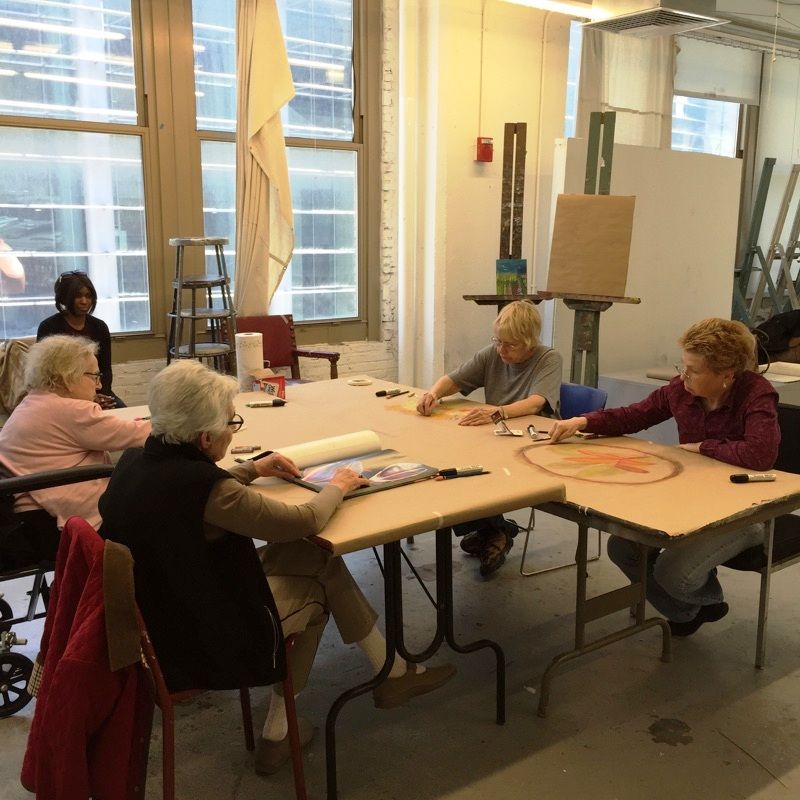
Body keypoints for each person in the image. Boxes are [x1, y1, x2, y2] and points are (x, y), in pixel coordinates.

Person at [98, 360, 456, 776]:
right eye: (232, 423)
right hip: (198, 634)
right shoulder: (211, 492)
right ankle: (283, 728)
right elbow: (301, 522)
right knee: (318, 585)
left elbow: (189, 488)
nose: (234, 432)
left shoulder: (134, 463)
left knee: (316, 558)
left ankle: (390, 672)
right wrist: (337, 486)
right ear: (205, 436)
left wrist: (252, 467)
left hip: (161, 609)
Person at [548, 317, 780, 636]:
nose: (682, 375)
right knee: (622, 548)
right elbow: (634, 415)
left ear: (727, 375)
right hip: (691, 502)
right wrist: (583, 422)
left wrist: (703, 446)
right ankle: (693, 610)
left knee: (674, 574)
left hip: (743, 512)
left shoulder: (756, 393)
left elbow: (760, 453)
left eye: (693, 370)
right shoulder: (680, 390)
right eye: (682, 366)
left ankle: (698, 601)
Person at [416, 299, 562, 576]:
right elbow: (454, 379)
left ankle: (491, 528)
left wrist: (497, 412)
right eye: (497, 342)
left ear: (530, 341)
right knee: (449, 465)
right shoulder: (494, 353)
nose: (501, 350)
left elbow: (535, 403)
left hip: (533, 441)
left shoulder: (549, 358)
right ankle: (493, 528)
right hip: (496, 435)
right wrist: (433, 394)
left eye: (510, 345)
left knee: (473, 469)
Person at [0, 335, 149, 570]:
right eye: (93, 376)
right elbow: (140, 435)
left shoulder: (33, 403)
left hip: (25, 522)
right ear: (67, 376)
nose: (99, 385)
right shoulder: (70, 410)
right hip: (58, 527)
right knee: (156, 506)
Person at [37, 271, 122, 409]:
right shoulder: (49, 327)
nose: (84, 301)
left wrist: (99, 395)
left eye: (88, 296)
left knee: (122, 413)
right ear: (64, 298)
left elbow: (105, 369)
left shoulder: (100, 327)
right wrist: (84, 399)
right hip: (61, 397)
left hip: (96, 392)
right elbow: (45, 375)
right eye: (78, 296)